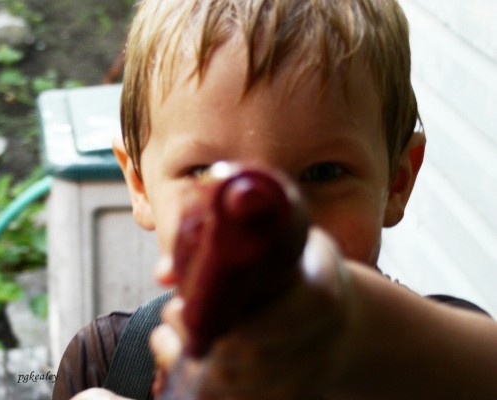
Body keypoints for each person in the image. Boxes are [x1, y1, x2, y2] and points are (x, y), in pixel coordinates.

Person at [53, 0, 497, 399]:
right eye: (204, 173)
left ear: (397, 183)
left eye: (323, 173)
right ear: (141, 185)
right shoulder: (106, 363)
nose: (266, 228)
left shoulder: (442, 360)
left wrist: (360, 333)